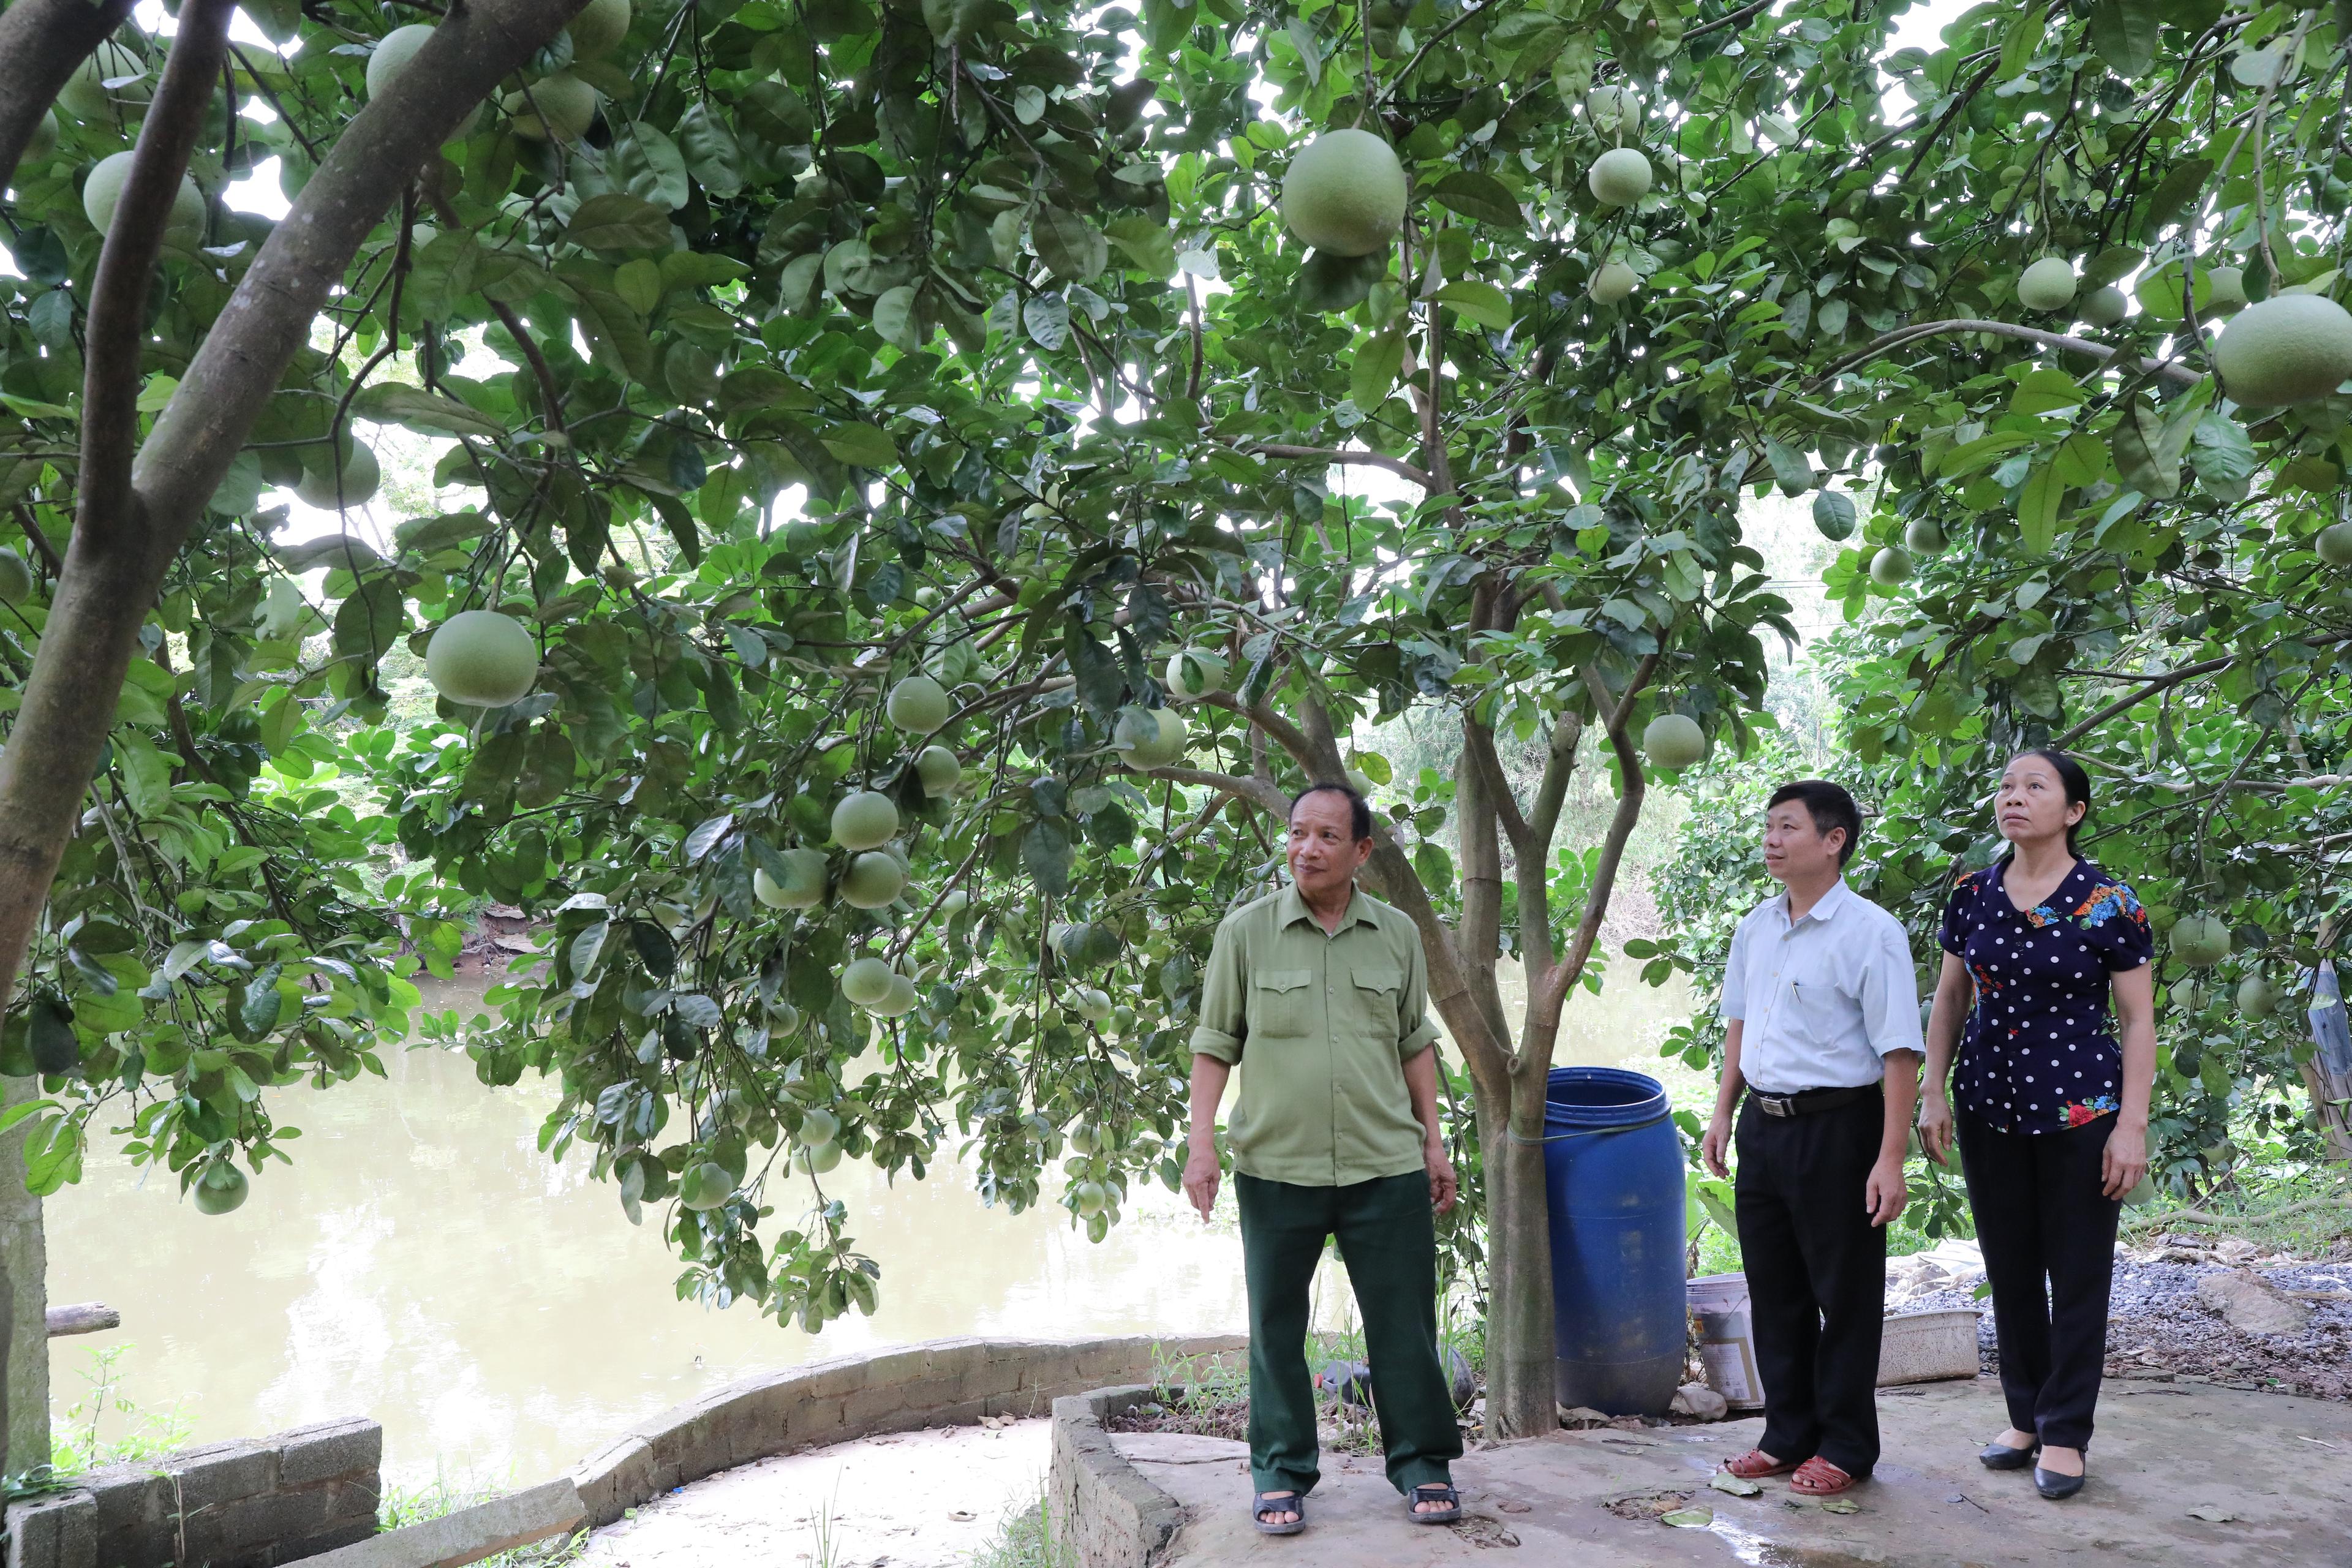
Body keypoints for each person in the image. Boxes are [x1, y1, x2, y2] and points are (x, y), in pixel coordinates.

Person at [1182, 781, 1463, 1534]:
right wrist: (1201, 1144)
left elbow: (1414, 1042)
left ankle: (1422, 1463)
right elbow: (1215, 1043)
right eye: (1298, 833)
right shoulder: (1245, 933)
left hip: (1385, 1163)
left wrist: (1433, 1142)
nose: (1307, 848)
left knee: (1404, 1324)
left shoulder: (1397, 934)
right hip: (1277, 1167)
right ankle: (1281, 1470)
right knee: (1275, 1326)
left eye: (1327, 836)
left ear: (1362, 851)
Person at [1918, 749, 2154, 1501]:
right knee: (2011, 1267)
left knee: (2078, 1275)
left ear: (2074, 811)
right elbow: (1950, 1000)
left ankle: (2065, 1432)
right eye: (2007, 786)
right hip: (1989, 1106)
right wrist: (1933, 1091)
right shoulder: (1972, 894)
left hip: (2082, 1113)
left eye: (2034, 786)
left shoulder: (2110, 903)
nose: (2013, 797)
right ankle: (2025, 1416)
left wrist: (2132, 1126)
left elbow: (2138, 1020)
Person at [1702, 780, 1923, 1499]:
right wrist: (1723, 1112)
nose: (1772, 839)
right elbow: (1740, 1024)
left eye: (1788, 827)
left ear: (1834, 841)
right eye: (1769, 826)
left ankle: (1848, 1446)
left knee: (1845, 1294)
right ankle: (1786, 1433)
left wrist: (1890, 1157)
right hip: (1764, 1127)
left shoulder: (1871, 933)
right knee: (1776, 1290)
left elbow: (1900, 1052)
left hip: (1840, 1127)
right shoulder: (1756, 927)